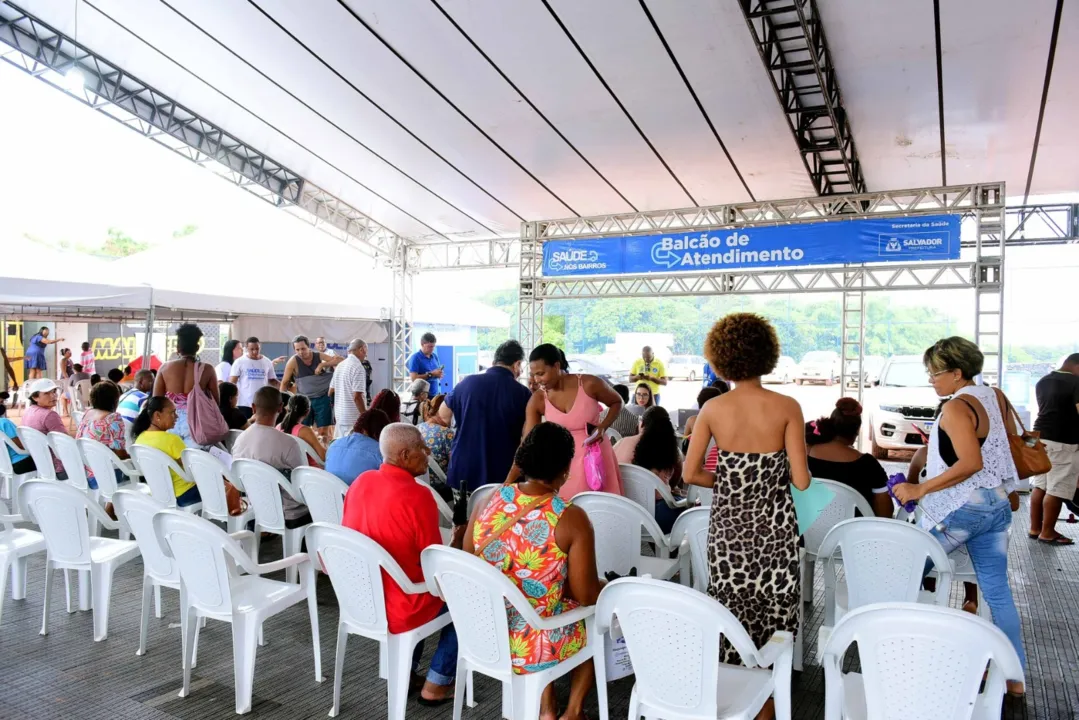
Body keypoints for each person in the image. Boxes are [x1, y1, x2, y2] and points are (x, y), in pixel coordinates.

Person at [683, 313, 809, 701]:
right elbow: (802, 481)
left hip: (728, 531)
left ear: (720, 359)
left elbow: (690, 473)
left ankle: (735, 688)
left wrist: (732, 482)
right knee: (775, 607)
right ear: (767, 355)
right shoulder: (788, 406)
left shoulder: (713, 409)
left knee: (731, 604)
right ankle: (773, 689)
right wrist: (767, 477)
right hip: (775, 532)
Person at [892, 337, 1027, 694]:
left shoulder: (954, 409)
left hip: (963, 508)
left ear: (956, 372)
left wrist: (920, 488)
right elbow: (1001, 450)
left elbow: (971, 462)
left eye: (935, 373)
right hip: (996, 504)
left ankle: (897, 655)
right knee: (997, 593)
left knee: (901, 574)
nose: (931, 380)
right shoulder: (994, 396)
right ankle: (1015, 678)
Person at [466, 422, 603, 719]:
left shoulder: (489, 500)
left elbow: (467, 562)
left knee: (544, 606)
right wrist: (608, 587)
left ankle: (547, 708)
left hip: (483, 629)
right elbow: (585, 594)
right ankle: (573, 712)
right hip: (531, 640)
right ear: (566, 469)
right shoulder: (570, 516)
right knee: (596, 622)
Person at [341, 423, 460, 703]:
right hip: (401, 605)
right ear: (405, 455)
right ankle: (437, 683)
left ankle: (406, 673)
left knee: (412, 583)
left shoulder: (361, 482)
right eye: (422, 447)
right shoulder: (419, 496)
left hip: (360, 596)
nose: (428, 453)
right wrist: (458, 539)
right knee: (465, 601)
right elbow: (433, 564)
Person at [519, 344, 623, 498]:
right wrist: (508, 482)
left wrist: (603, 427)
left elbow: (617, 402)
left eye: (541, 374)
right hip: (562, 460)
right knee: (566, 507)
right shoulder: (538, 398)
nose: (536, 380)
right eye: (533, 375)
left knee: (601, 507)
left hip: (595, 454)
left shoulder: (589, 383)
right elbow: (527, 444)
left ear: (556, 365)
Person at [439, 339, 532, 498]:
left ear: (494, 361)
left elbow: (443, 416)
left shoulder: (466, 383)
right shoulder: (523, 393)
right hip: (503, 476)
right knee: (500, 522)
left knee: (467, 522)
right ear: (517, 364)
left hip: (464, 471)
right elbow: (528, 437)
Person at [232, 386, 310, 526]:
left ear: (253, 408)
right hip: (290, 513)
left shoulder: (240, 440)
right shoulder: (288, 443)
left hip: (257, 506)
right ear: (280, 408)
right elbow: (303, 484)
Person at [805, 398, 893, 518]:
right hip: (856, 535)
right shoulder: (868, 464)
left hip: (811, 533)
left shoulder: (805, 456)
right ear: (857, 431)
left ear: (831, 426)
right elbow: (885, 513)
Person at [1028, 353, 1079, 543]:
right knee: (1056, 488)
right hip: (1063, 441)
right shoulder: (1075, 383)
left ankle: (1035, 528)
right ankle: (1048, 532)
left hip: (1039, 438)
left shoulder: (1043, 381)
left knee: (1040, 484)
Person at [614, 406, 685, 533]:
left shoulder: (622, 442)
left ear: (642, 424)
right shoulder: (670, 449)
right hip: (655, 518)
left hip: (622, 512)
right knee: (688, 508)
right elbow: (677, 480)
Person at [153, 324, 218, 446]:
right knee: (195, 462)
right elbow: (215, 402)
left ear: (177, 348)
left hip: (170, 420)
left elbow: (156, 401)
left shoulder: (164, 368)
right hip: (197, 424)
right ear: (197, 347)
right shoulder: (207, 369)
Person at [132, 396, 201, 507]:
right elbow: (192, 467)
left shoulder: (140, 439)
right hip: (184, 494)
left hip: (159, 495)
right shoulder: (171, 440)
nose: (177, 417)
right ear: (157, 415)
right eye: (173, 413)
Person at [279, 335, 342, 445]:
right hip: (304, 400)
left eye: (303, 348)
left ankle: (323, 456)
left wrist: (322, 364)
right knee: (304, 431)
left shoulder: (318, 356)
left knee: (323, 432)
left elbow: (341, 360)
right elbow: (284, 383)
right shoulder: (293, 361)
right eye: (297, 349)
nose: (300, 352)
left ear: (309, 346)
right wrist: (282, 404)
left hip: (323, 398)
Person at [76, 380, 130, 490]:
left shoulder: (87, 414)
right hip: (105, 477)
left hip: (85, 473)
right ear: (115, 399)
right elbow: (120, 454)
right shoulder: (113, 418)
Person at [325, 409, 389, 485]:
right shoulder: (380, 452)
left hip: (329, 493)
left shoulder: (334, 445)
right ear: (380, 431)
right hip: (359, 495)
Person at [20, 379, 68, 478]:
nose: (53, 396)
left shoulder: (28, 412)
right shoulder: (50, 415)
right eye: (46, 393)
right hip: (59, 468)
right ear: (35, 397)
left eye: (54, 392)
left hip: (40, 465)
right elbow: (65, 444)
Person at [228, 337, 278, 419]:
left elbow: (272, 380)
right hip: (244, 403)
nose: (255, 352)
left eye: (257, 349)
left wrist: (284, 385)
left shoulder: (267, 361)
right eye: (251, 349)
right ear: (246, 348)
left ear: (260, 347)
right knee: (245, 428)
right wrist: (231, 402)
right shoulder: (239, 362)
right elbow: (232, 383)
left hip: (262, 403)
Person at [329, 339, 368, 439]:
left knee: (341, 450)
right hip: (352, 420)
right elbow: (357, 397)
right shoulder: (357, 367)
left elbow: (330, 391)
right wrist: (365, 417)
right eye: (365, 353)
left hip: (340, 417)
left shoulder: (340, 366)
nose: (365, 356)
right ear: (361, 349)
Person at [277, 393, 326, 465]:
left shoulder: (278, 427)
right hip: (307, 469)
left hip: (286, 467)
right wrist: (324, 444)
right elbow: (323, 457)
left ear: (287, 408)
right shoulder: (304, 431)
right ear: (307, 411)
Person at [418, 395, 454, 474]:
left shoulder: (416, 428)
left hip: (421, 481)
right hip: (441, 484)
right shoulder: (447, 434)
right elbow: (456, 466)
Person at [0, 394, 34, 475]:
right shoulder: (4, 423)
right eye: (1, 403)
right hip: (18, 462)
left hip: (3, 465)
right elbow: (21, 446)